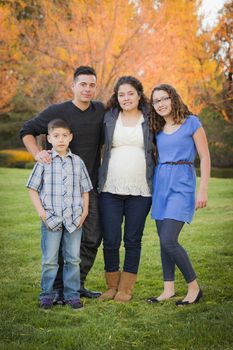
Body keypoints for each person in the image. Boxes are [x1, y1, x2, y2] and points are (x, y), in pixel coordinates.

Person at [20, 66, 104, 300]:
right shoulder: (57, 111)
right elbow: (27, 130)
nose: (87, 89)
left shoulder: (100, 111)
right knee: (56, 236)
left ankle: (75, 285)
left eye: (92, 85)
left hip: (89, 187)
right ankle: (56, 289)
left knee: (92, 237)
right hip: (59, 192)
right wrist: (37, 153)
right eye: (83, 84)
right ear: (73, 86)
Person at [147, 83, 211, 306]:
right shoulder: (157, 129)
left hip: (182, 184)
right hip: (161, 185)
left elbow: (204, 157)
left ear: (173, 98)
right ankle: (168, 289)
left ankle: (194, 287)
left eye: (164, 99)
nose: (161, 104)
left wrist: (202, 189)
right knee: (163, 240)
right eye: (156, 101)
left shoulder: (191, 123)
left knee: (169, 239)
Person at [98, 76, 154, 302]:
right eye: (121, 94)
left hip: (141, 190)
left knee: (133, 239)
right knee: (111, 239)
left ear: (139, 95)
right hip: (110, 188)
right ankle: (112, 286)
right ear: (116, 96)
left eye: (130, 93)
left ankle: (125, 289)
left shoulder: (151, 118)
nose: (126, 98)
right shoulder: (109, 117)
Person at [27, 119, 93, 309]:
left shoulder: (78, 162)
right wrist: (42, 214)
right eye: (56, 136)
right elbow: (32, 189)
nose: (61, 139)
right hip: (51, 219)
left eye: (65, 135)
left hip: (74, 219)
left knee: (73, 259)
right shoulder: (44, 161)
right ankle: (47, 295)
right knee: (50, 260)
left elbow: (85, 190)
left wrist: (85, 212)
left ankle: (72, 295)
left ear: (70, 137)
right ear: (49, 138)